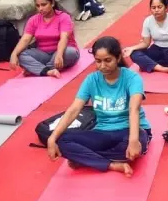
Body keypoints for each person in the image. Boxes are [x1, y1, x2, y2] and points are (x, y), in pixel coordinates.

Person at [47, 36, 152, 177]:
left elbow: (134, 109)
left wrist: (133, 141)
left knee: (134, 145)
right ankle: (112, 164)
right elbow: (74, 109)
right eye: (98, 61)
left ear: (118, 57)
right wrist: (52, 138)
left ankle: (87, 158)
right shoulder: (91, 80)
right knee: (62, 140)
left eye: (108, 60)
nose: (102, 66)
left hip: (131, 131)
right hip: (102, 133)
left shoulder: (132, 78)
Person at [10, 0, 80, 77]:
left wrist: (59, 54)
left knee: (70, 52)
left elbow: (64, 38)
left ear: (52, 3)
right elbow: (25, 39)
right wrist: (13, 54)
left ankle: (39, 69)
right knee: (20, 55)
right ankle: (49, 71)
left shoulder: (64, 17)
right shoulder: (33, 20)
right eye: (38, 6)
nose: (40, 8)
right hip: (43, 54)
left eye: (44, 5)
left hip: (62, 52)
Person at [123, 0, 168, 74]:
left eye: (159, 7)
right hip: (157, 49)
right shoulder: (148, 21)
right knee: (134, 54)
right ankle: (161, 68)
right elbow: (146, 43)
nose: (156, 10)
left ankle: (149, 64)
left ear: (166, 8)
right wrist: (132, 48)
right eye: (153, 8)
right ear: (150, 9)